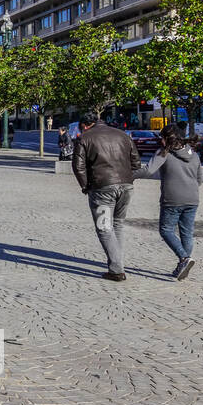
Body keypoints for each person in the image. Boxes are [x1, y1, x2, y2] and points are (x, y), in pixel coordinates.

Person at [72, 110, 143, 282]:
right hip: (126, 186)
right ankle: (117, 263)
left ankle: (117, 270)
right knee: (117, 224)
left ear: (84, 125)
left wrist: (86, 186)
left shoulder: (85, 138)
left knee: (104, 227)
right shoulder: (123, 135)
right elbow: (137, 163)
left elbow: (78, 167)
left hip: (102, 187)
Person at [146, 124, 201, 281]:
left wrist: (130, 174)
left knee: (166, 230)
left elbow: (149, 170)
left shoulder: (164, 153)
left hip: (172, 199)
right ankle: (183, 264)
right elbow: (200, 179)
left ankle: (184, 258)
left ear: (165, 139)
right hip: (193, 199)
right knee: (187, 233)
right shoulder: (194, 155)